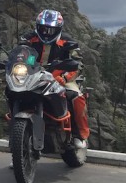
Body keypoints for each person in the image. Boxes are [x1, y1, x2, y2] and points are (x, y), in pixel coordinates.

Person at [18, 9, 89, 149]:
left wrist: (65, 77)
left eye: (51, 30)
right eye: (43, 28)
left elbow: (78, 64)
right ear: (38, 26)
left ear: (59, 29)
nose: (46, 33)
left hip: (59, 77)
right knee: (12, 90)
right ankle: (18, 135)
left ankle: (79, 135)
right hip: (32, 76)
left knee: (76, 96)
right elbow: (19, 54)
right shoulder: (28, 39)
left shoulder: (68, 41)